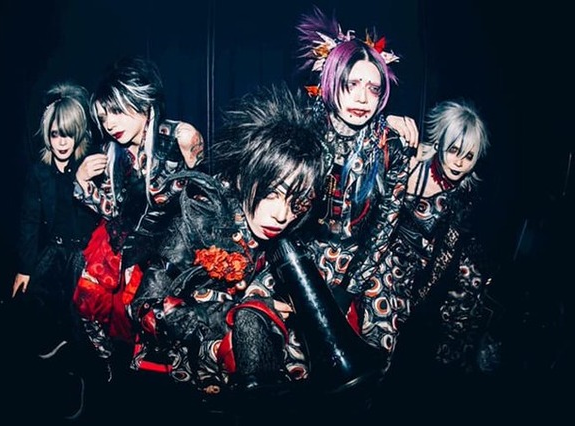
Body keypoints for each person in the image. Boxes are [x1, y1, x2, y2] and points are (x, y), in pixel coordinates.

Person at [127, 84, 326, 403]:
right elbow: (145, 305)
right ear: (244, 178)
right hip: (188, 365)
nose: (281, 215)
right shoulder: (200, 216)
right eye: (272, 194)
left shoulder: (293, 235)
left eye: (296, 202)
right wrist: (226, 319)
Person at [293, 6, 413, 366]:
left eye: (373, 88)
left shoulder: (391, 146)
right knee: (297, 349)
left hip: (367, 258)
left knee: (379, 349)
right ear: (332, 82)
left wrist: (351, 288)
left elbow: (385, 225)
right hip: (308, 256)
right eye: (352, 84)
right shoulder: (301, 133)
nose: (362, 98)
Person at [72, 55, 204, 381]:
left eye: (116, 112)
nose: (109, 124)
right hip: (128, 250)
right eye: (103, 117)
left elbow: (202, 201)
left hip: (173, 253)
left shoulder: (181, 138)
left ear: (143, 102)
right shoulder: (112, 153)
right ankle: (107, 372)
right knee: (90, 304)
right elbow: (114, 213)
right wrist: (83, 184)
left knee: (163, 335)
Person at [360, 99, 497, 373]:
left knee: (471, 287)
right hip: (388, 264)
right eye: (454, 150)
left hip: (425, 276)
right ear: (440, 143)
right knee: (380, 338)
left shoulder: (465, 193)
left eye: (468, 157)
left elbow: (456, 253)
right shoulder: (411, 168)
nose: (459, 162)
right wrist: (386, 123)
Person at [10, 81, 101, 420]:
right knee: (38, 317)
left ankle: (83, 381)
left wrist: (81, 181)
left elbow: (95, 217)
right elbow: (30, 221)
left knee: (82, 329)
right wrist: (24, 268)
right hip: (53, 256)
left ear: (79, 134)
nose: (62, 142)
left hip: (85, 259)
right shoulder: (39, 172)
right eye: (55, 135)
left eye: (68, 134)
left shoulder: (93, 165)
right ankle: (56, 377)